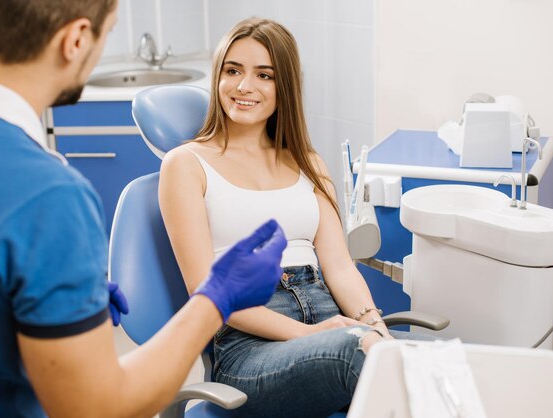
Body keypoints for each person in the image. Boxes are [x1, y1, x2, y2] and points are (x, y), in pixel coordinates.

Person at [0, 2, 287, 417]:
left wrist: (46, 305)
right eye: (107, 34)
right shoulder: (46, 194)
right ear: (76, 39)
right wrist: (217, 298)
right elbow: (96, 407)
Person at [159, 17, 435, 418]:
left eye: (264, 75)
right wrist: (313, 334)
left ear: (283, 86)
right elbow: (210, 294)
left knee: (421, 361)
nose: (243, 86)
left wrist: (375, 325)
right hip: (249, 347)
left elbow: (339, 268)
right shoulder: (186, 164)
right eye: (232, 71)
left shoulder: (308, 162)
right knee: (365, 356)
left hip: (329, 316)